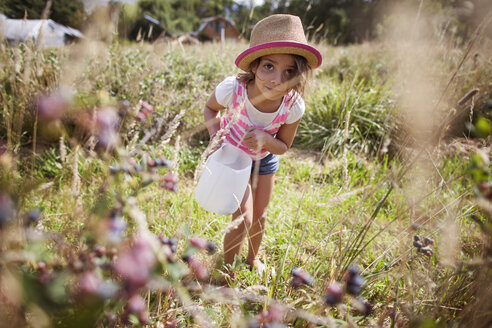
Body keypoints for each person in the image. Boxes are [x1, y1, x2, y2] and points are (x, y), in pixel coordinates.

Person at [203, 14, 322, 274]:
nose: (278, 79)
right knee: (243, 217)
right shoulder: (232, 90)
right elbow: (210, 109)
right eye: (269, 66)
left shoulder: (292, 106)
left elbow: (283, 146)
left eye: (289, 71)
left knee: (259, 217)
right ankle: (228, 268)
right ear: (254, 66)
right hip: (235, 159)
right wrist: (215, 137)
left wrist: (267, 140)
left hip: (265, 160)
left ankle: (252, 259)